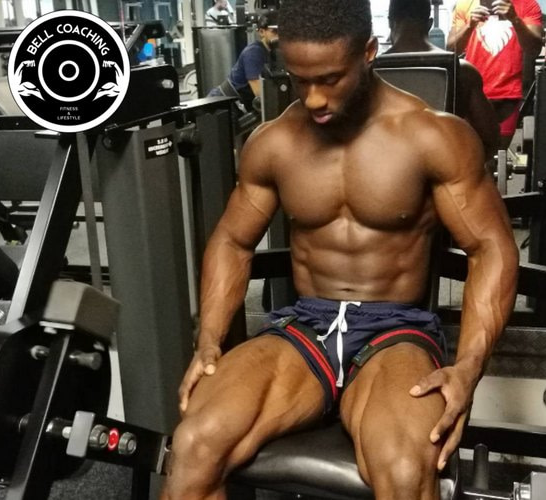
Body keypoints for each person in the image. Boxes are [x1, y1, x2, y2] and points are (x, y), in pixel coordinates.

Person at [161, 0, 519, 499]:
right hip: (305, 325)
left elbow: (491, 248)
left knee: (403, 470)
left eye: (330, 79)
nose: (313, 98)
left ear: (368, 52)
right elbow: (232, 240)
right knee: (194, 445)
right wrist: (209, 340)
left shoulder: (432, 135)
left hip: (395, 330)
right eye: (300, 80)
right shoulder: (275, 143)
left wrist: (468, 367)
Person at [386, 0, 499, 160]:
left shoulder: (368, 71)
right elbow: (490, 141)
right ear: (430, 24)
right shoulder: (463, 71)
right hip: (446, 167)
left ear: (390, 22)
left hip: (383, 170)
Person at [447, 0, 543, 149]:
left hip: (508, 96)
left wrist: (515, 19)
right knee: (473, 153)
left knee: (498, 153)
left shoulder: (527, 4)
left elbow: (534, 49)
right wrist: (469, 25)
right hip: (475, 93)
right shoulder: (465, 5)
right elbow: (452, 49)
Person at [207, 10, 279, 113]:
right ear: (261, 32)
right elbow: (260, 93)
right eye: (274, 32)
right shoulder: (254, 52)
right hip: (221, 105)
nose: (279, 36)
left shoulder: (274, 53)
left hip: (239, 105)